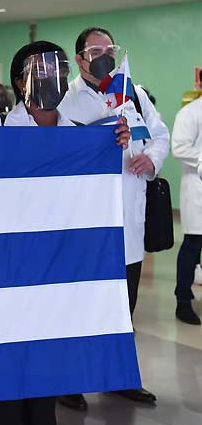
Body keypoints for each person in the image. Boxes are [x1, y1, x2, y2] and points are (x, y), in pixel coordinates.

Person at [0, 40, 130, 425]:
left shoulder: (81, 134)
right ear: (19, 81)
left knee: (45, 366)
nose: (55, 79)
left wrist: (115, 144)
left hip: (54, 271)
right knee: (5, 371)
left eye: (60, 71)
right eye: (43, 72)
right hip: (7, 269)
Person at [58, 26, 169, 409]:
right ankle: (67, 380)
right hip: (85, 226)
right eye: (95, 50)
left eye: (110, 48)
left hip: (128, 222)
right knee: (79, 306)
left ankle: (117, 376)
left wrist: (149, 158)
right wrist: (102, 140)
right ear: (80, 59)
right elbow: (59, 155)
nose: (105, 55)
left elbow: (161, 135)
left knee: (124, 307)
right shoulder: (65, 102)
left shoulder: (131, 94)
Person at [171, 95, 202, 324]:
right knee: (192, 247)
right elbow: (179, 147)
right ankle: (183, 301)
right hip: (197, 190)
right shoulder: (190, 113)